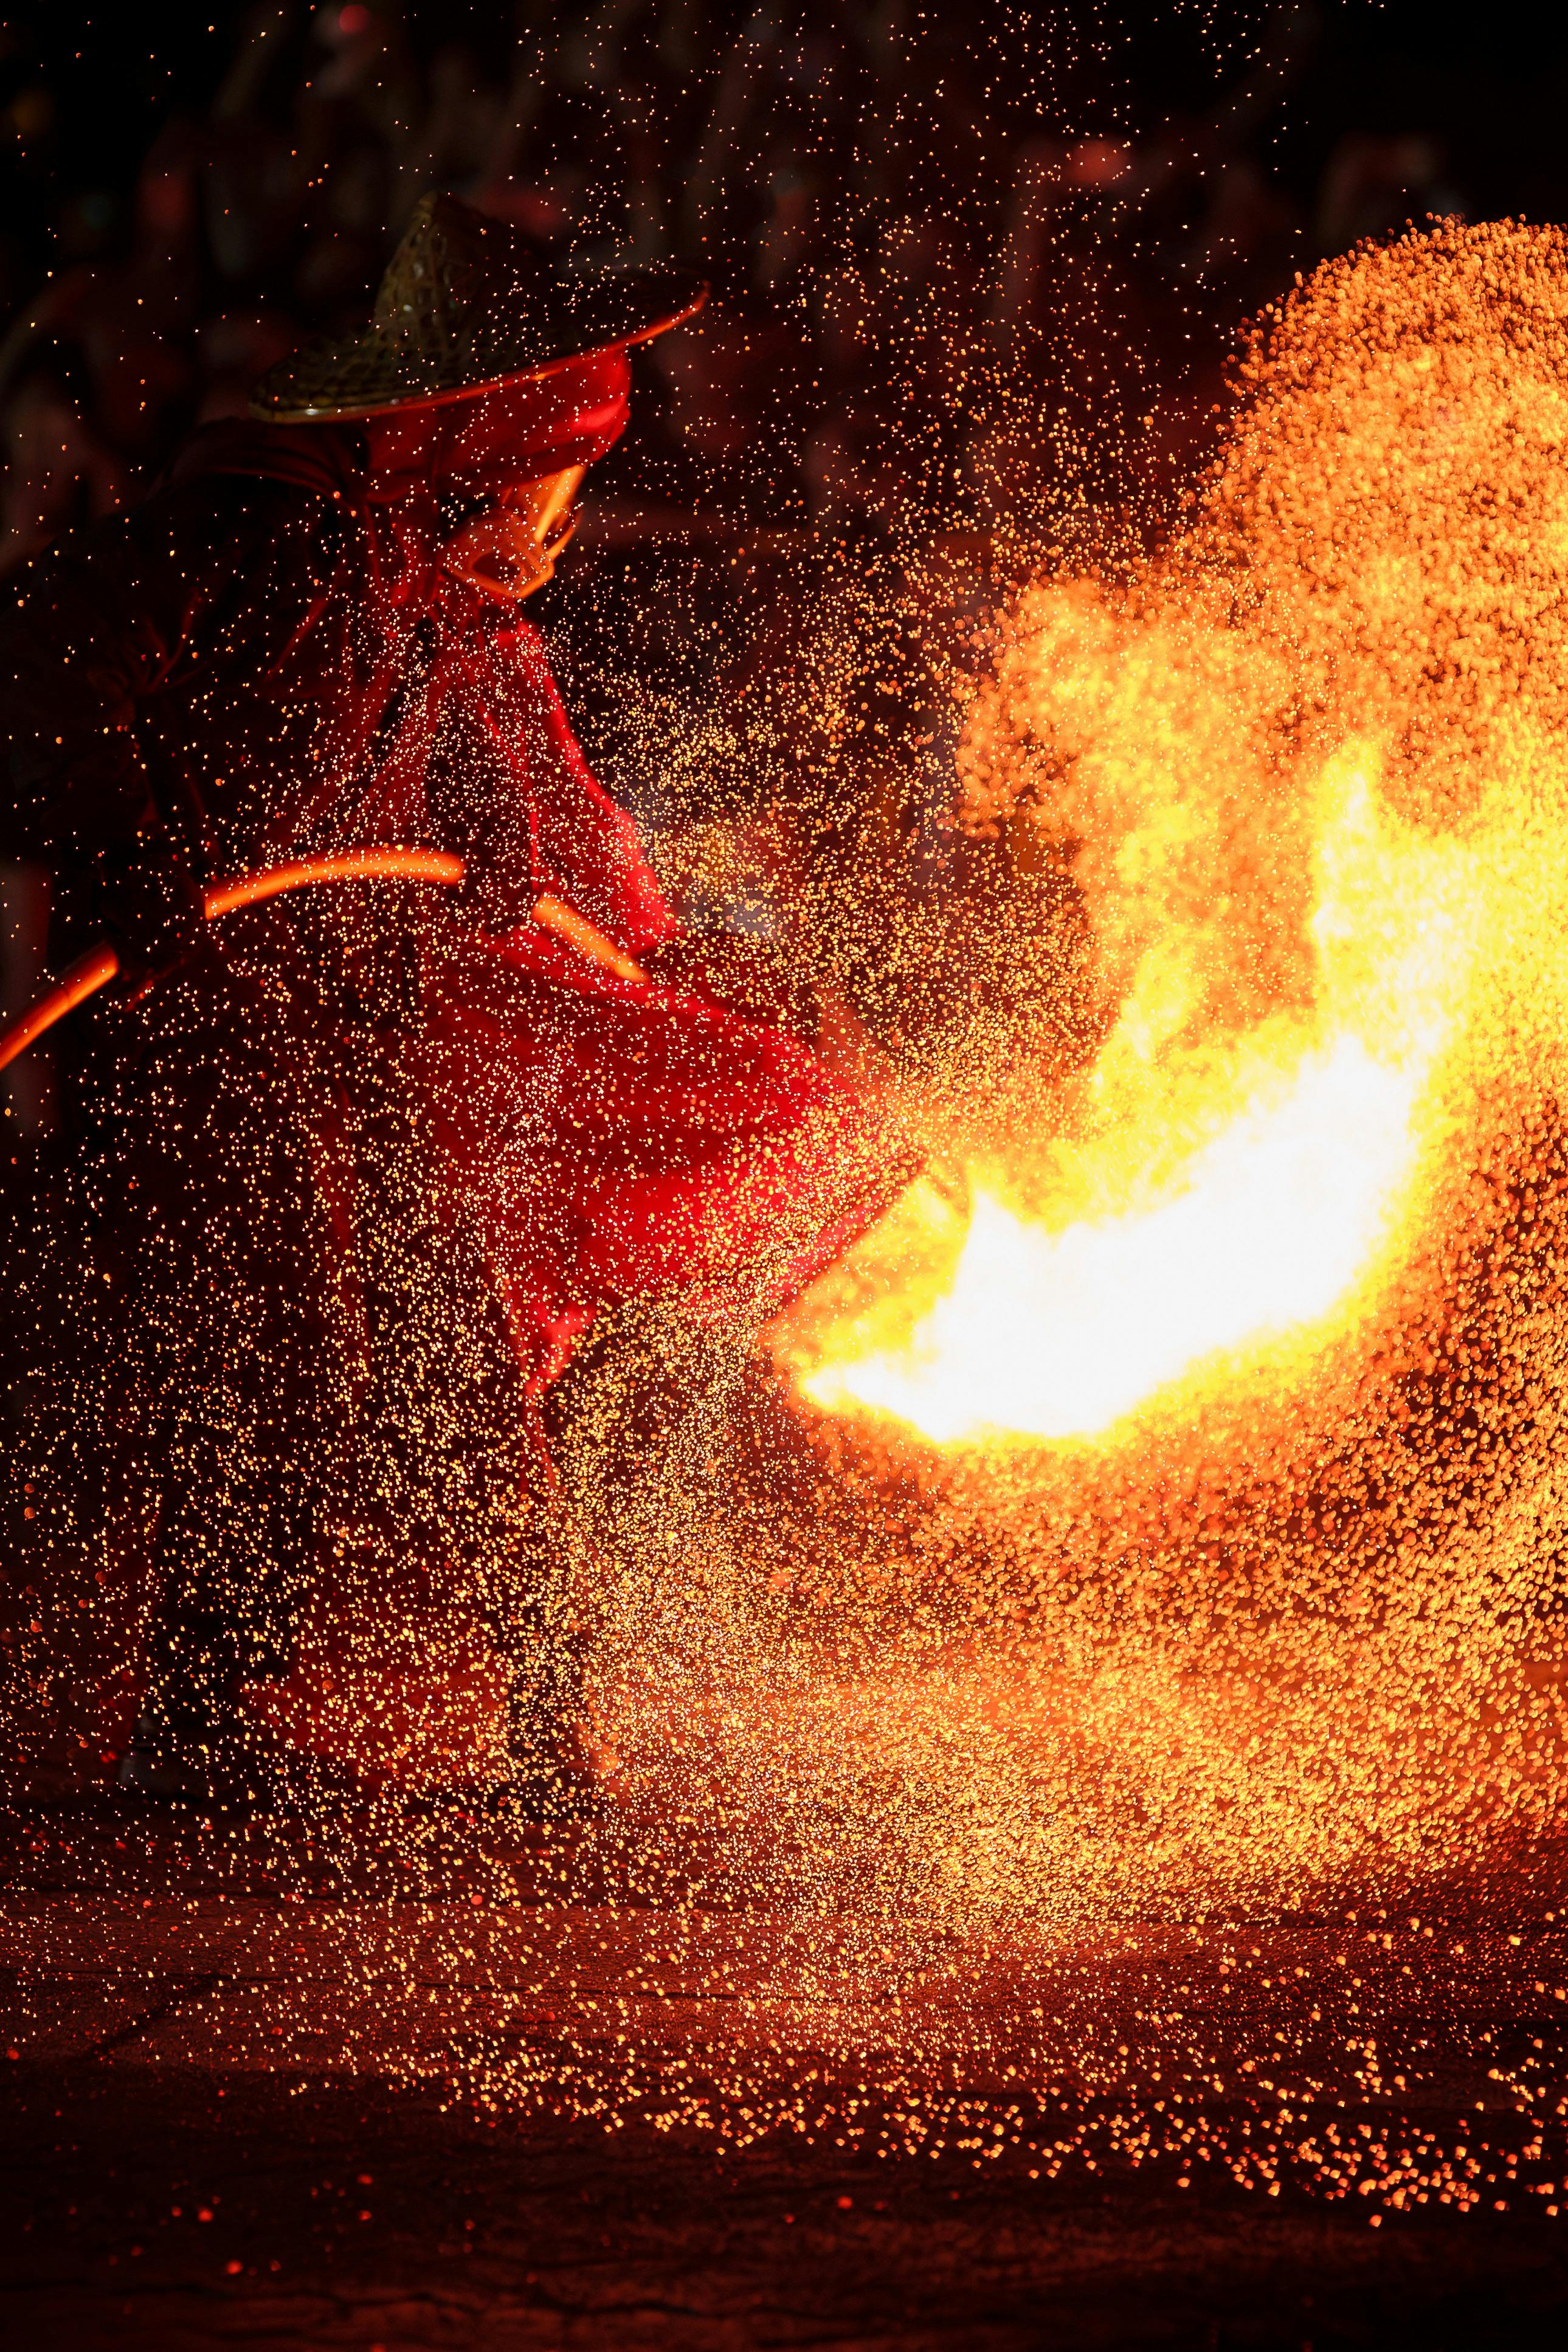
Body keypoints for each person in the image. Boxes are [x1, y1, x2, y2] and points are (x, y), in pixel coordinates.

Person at [0, 194, 913, 1811]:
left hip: (372, 1043)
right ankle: (206, 1718)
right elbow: (56, 691)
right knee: (244, 1356)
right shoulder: (250, 537)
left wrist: (658, 954)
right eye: (559, 477)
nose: (566, 520)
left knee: (463, 1361)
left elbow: (559, 859)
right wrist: (142, 879)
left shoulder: (454, 617)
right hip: (204, 1029)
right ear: (484, 442)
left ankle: (534, 1719)